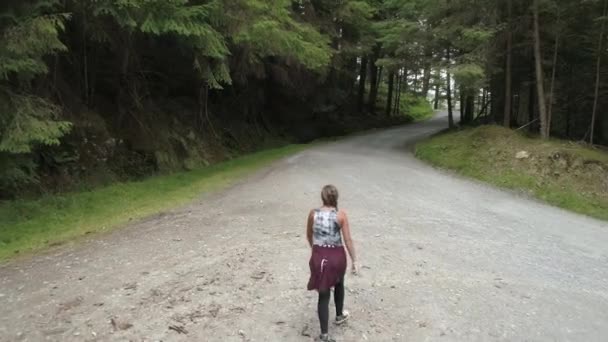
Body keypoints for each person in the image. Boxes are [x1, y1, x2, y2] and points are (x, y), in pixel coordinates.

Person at [307, 185, 357, 342]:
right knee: (339, 283)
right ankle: (339, 315)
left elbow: (309, 235)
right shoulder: (341, 215)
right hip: (336, 257)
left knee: (323, 293)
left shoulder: (312, 214)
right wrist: (354, 259)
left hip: (318, 255)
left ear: (322, 197)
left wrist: (315, 250)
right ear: (336, 198)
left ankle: (324, 335)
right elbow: (347, 239)